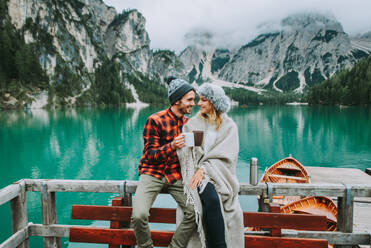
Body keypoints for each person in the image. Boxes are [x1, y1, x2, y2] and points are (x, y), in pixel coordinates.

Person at [131, 78, 197, 248]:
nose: (193, 103)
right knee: (138, 215)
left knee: (195, 212)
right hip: (152, 173)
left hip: (176, 176)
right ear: (177, 100)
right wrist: (172, 146)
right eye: (189, 99)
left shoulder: (189, 124)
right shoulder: (155, 120)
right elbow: (150, 155)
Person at [177, 83, 244, 248]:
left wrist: (205, 169)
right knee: (211, 198)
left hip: (219, 176)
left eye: (204, 100)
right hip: (195, 175)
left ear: (214, 103)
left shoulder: (229, 127)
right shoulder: (192, 124)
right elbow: (185, 153)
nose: (199, 103)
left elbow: (227, 157)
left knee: (212, 198)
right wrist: (183, 146)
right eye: (199, 99)